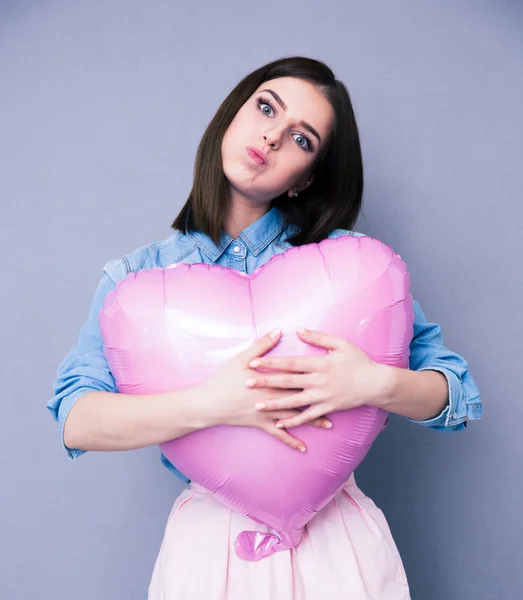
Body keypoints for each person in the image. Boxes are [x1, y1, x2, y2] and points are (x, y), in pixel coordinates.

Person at [46, 56, 482, 599]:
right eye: (266, 108)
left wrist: (378, 384)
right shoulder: (138, 280)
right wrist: (213, 404)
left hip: (339, 546)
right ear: (233, 114)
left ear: (307, 179)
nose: (272, 137)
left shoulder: (350, 270)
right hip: (208, 550)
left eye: (302, 140)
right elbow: (78, 421)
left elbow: (458, 393)